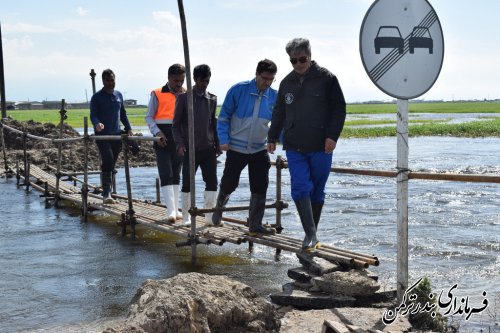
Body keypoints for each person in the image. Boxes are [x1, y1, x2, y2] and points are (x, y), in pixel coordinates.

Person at [267, 38, 346, 252]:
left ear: (309, 56)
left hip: (321, 145)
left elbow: (339, 109)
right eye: (294, 61)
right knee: (300, 187)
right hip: (294, 145)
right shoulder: (286, 82)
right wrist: (272, 137)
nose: (298, 64)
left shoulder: (327, 79)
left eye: (302, 59)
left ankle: (311, 234)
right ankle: (311, 235)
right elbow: (279, 112)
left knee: (317, 191)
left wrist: (332, 136)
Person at [212, 59, 278, 236]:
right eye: (264, 78)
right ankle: (219, 206)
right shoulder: (238, 90)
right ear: (256, 74)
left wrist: (275, 139)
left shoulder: (274, 96)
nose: (267, 83)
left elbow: (279, 123)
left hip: (259, 148)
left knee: (260, 186)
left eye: (271, 79)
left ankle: (255, 225)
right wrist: (223, 139)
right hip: (236, 147)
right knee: (229, 183)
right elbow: (224, 117)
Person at [172, 64, 220, 226]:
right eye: (201, 81)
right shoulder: (184, 98)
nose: (204, 84)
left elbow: (213, 123)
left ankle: (209, 217)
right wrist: (179, 144)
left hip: (208, 148)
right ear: (195, 79)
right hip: (190, 149)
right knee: (187, 182)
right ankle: (186, 217)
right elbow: (176, 125)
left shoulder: (212, 99)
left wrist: (218, 144)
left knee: (212, 181)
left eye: (207, 81)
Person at [145, 64, 186, 222]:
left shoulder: (186, 93)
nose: (179, 84)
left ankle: (176, 210)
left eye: (181, 80)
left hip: (180, 140)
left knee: (176, 174)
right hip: (163, 138)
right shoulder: (157, 93)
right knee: (166, 174)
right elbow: (149, 117)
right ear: (168, 78)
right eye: (176, 80)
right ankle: (170, 211)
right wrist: (157, 133)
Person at [90, 69, 133, 204]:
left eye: (112, 80)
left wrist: (129, 128)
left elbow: (123, 114)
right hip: (102, 135)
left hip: (116, 135)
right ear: (103, 81)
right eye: (107, 80)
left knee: (111, 164)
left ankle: (107, 189)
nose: (110, 83)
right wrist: (97, 124)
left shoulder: (118, 95)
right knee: (107, 161)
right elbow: (93, 115)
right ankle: (106, 193)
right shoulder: (96, 97)